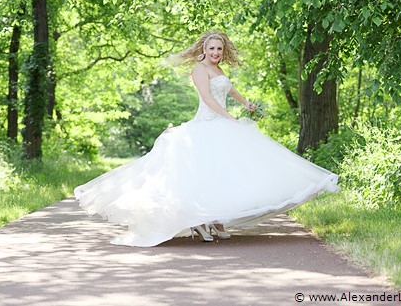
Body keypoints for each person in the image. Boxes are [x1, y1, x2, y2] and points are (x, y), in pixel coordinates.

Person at [74, 30, 339, 247]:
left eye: (219, 50)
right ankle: (199, 220)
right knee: (202, 173)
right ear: (204, 48)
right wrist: (228, 117)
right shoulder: (199, 70)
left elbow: (229, 89)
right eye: (212, 49)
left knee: (223, 173)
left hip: (222, 122)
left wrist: (246, 103)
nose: (215, 53)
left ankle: (216, 219)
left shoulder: (220, 71)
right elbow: (209, 98)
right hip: (207, 124)